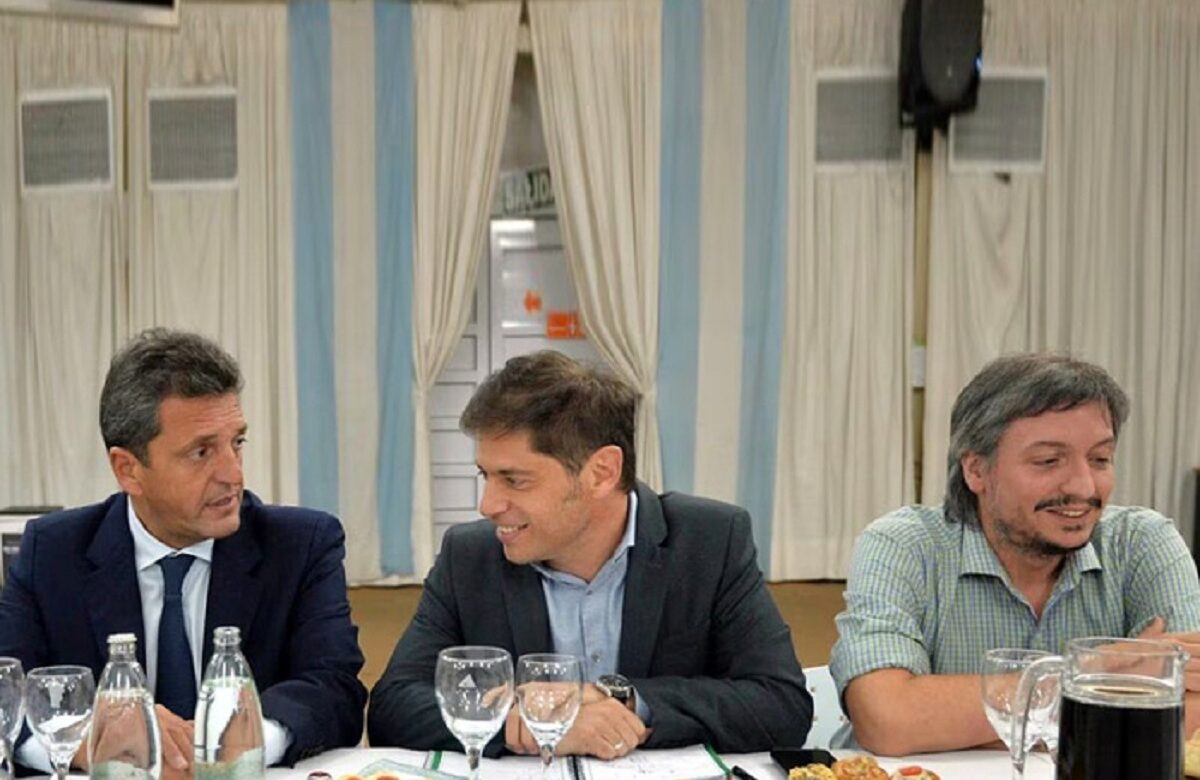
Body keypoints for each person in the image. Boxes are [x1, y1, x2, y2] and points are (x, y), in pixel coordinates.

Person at [367, 350, 812, 758]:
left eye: (514, 480)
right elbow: (392, 708)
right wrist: (525, 723)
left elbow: (781, 705)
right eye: (486, 475)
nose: (488, 505)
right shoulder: (470, 556)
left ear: (601, 472)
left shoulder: (710, 541)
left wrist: (622, 698)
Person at [0, 329, 367, 774]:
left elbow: (335, 688)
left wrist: (246, 739)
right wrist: (89, 741)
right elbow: (6, 692)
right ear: (128, 469)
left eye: (237, 442)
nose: (233, 474)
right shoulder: (52, 553)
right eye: (201, 452)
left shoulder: (301, 545)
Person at [830, 353, 1200, 755]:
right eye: (1048, 461)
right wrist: (1102, 667)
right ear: (976, 470)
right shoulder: (904, 546)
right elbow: (888, 720)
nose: (1083, 486)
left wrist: (965, 725)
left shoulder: (1143, 543)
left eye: (1100, 459)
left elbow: (1185, 717)